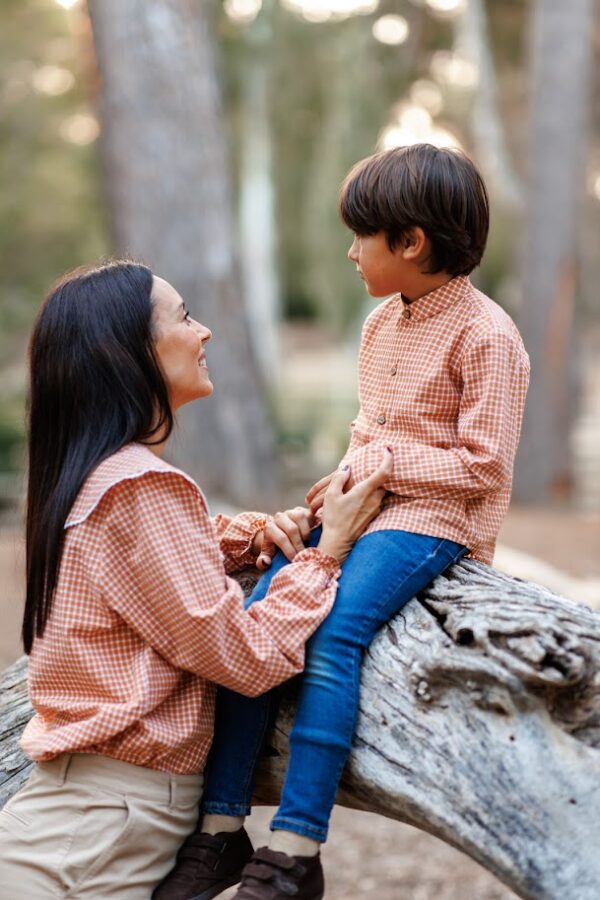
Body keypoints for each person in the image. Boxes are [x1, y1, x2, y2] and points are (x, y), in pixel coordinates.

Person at [155, 144, 530, 900]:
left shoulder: (489, 336)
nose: (350, 251)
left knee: (332, 635)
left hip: (434, 523)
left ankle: (295, 848)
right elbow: (368, 433)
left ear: (412, 241)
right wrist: (322, 501)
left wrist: (379, 471)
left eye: (361, 236)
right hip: (365, 513)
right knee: (258, 620)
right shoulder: (378, 326)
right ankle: (222, 830)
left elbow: (484, 466)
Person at [0, 260, 392, 899]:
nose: (204, 331)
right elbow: (248, 655)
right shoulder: (139, 488)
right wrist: (329, 552)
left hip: (89, 820)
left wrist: (259, 534)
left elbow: (171, 557)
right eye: (183, 317)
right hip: (90, 835)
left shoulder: (95, 478)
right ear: (126, 352)